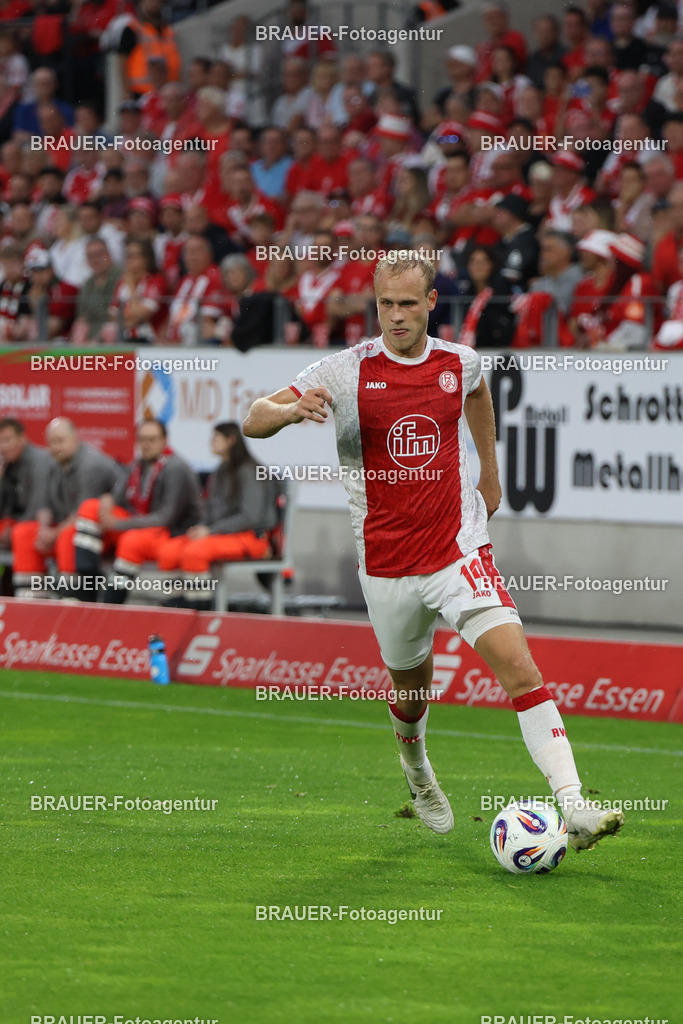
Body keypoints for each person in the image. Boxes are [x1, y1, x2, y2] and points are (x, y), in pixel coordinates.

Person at [243, 253, 624, 852]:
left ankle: (573, 805)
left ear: (429, 305)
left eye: (405, 304)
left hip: (457, 551)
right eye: (384, 305)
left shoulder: (458, 362)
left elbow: (477, 394)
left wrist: (490, 475)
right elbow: (252, 418)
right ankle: (419, 773)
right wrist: (290, 413)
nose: (395, 316)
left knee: (519, 666)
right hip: (387, 565)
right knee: (411, 689)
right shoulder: (346, 371)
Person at [72, 418, 201, 602]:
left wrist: (120, 524)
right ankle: (87, 581)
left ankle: (111, 604)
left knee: (131, 541)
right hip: (143, 525)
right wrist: (108, 499)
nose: (146, 445)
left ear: (164, 441)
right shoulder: (138, 464)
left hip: (174, 532)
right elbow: (120, 494)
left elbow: (166, 518)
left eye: (152, 439)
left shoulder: (176, 467)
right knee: (90, 507)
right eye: (142, 439)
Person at [156, 422, 278, 609]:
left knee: (195, 552)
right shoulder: (221, 470)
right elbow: (211, 509)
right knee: (168, 552)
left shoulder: (249, 471)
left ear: (230, 440)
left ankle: (199, 607)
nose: (210, 443)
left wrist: (211, 531)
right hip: (224, 534)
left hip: (253, 537)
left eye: (215, 438)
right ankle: (176, 603)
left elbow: (249, 517)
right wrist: (202, 528)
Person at [11, 418, 121, 597]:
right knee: (24, 533)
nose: (55, 447)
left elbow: (84, 515)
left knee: (68, 536)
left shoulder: (92, 465)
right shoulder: (52, 463)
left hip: (103, 531)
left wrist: (55, 534)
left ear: (75, 438)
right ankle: (31, 600)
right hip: (67, 525)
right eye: (51, 442)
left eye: (60, 441)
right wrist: (45, 529)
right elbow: (44, 504)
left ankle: (73, 598)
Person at [0, 417, 52, 552]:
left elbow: (39, 505)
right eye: (0, 441)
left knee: (21, 532)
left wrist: (13, 528)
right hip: (20, 521)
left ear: (22, 438)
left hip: (47, 522)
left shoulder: (39, 461)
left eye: (7, 440)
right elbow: (5, 507)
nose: (3, 447)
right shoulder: (7, 465)